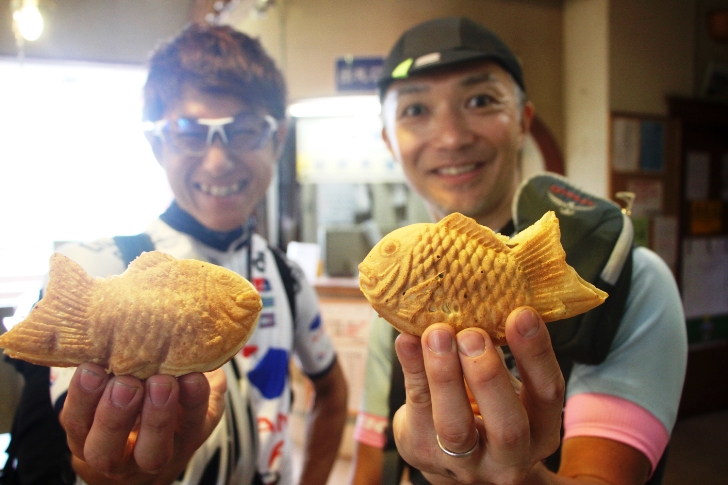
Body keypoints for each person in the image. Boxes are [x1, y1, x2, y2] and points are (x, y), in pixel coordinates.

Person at [4, 23, 347, 485]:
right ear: (155, 143)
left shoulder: (288, 276)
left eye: (244, 129)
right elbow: (79, 450)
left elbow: (331, 388)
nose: (217, 160)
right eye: (188, 131)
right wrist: (114, 471)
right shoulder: (96, 270)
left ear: (278, 139)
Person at [350, 16, 687, 485]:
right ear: (389, 139)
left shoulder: (632, 280)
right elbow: (373, 467)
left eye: (480, 100)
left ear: (524, 121)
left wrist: (523, 478)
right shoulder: (394, 300)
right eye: (414, 111)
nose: (451, 137)